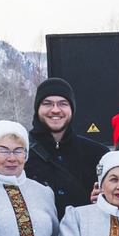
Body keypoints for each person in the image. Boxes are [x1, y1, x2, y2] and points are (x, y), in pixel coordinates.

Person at [26, 76, 106, 205]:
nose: (55, 110)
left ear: (72, 109)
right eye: (47, 103)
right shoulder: (20, 154)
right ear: (37, 108)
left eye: (63, 103)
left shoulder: (97, 154)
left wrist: (101, 203)